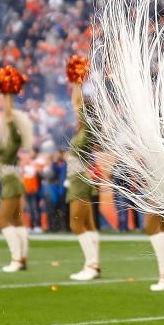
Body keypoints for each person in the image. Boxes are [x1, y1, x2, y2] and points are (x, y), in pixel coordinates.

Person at [0, 69, 33, 272]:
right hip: (12, 180)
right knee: (16, 219)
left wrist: (5, 93)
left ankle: (16, 259)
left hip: (11, 181)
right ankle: (22, 258)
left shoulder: (13, 136)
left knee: (3, 219)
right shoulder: (9, 136)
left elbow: (8, 114)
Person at [65, 70, 101, 281]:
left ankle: (92, 265)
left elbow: (76, 103)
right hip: (81, 178)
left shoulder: (87, 130)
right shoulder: (85, 131)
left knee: (76, 224)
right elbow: (77, 105)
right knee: (87, 224)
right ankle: (94, 264)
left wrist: (77, 82)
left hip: (79, 179)